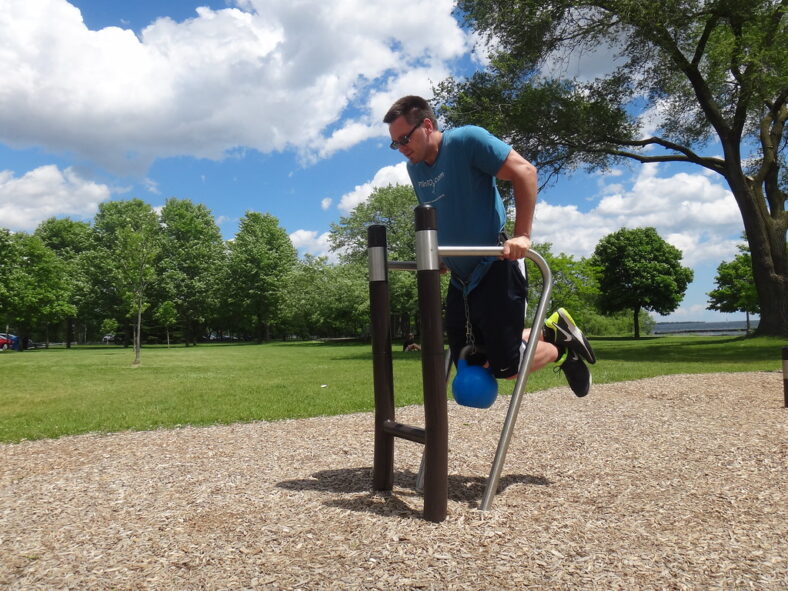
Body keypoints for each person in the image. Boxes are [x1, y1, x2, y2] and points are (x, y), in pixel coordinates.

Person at [383, 96, 596, 396]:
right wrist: (442, 254)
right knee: (469, 361)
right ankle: (550, 329)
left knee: (506, 368)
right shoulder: (416, 169)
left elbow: (525, 171)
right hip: (461, 278)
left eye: (405, 138)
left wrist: (522, 235)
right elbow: (439, 214)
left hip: (495, 264)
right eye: (395, 144)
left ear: (427, 125)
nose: (402, 148)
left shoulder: (466, 140)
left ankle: (561, 349)